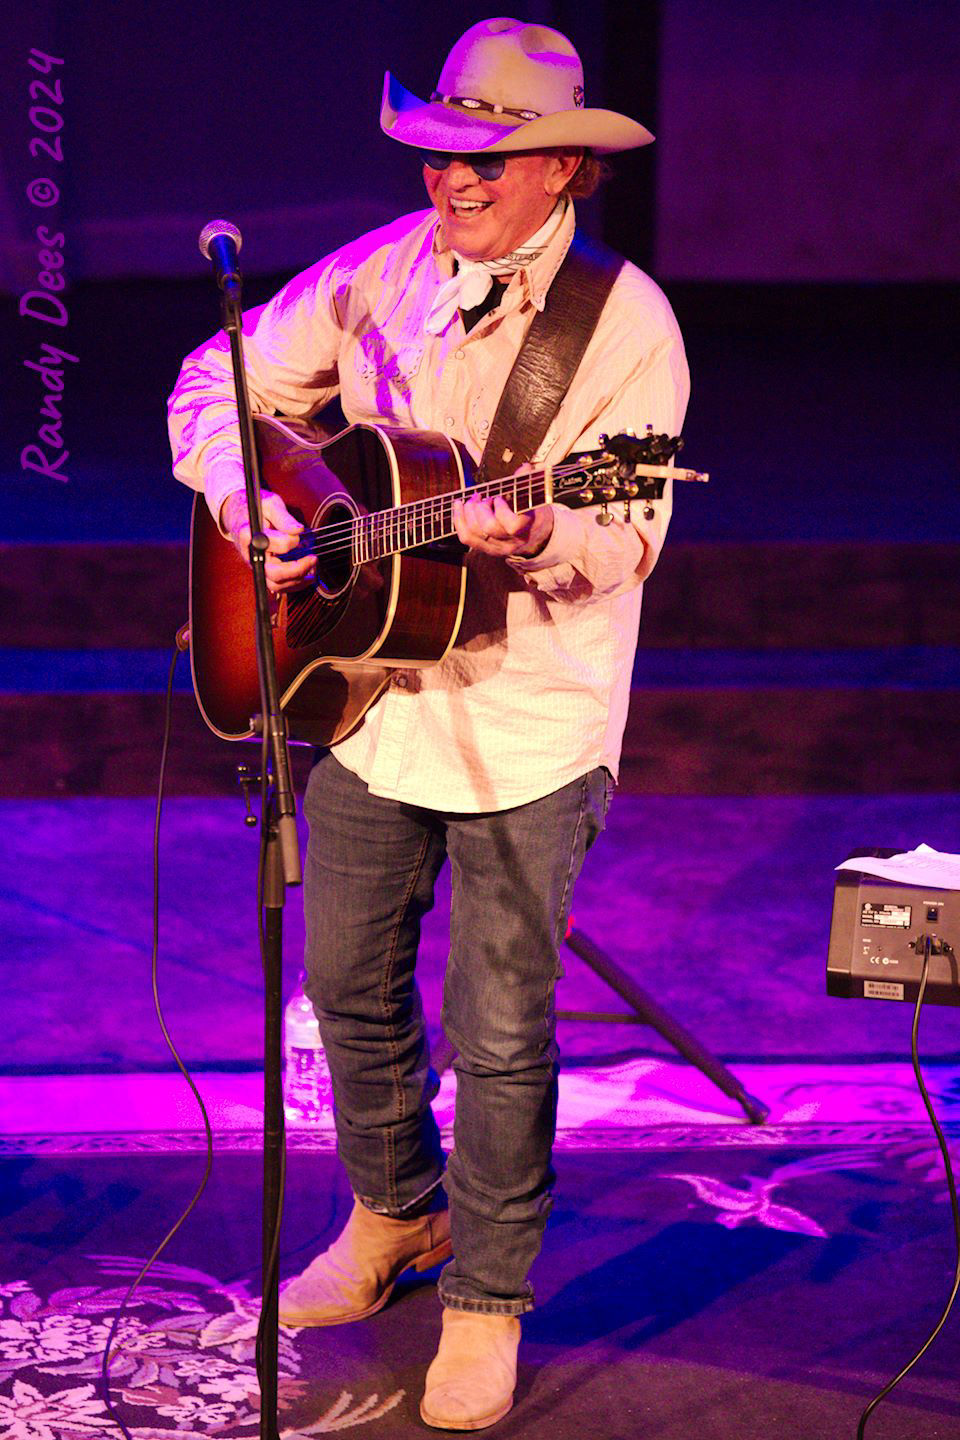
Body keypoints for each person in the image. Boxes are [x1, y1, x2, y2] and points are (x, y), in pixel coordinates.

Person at [168, 17, 689, 1431]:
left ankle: (487, 1300)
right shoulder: (376, 274)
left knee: (504, 1024)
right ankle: (396, 1213)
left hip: (529, 717)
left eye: (490, 161)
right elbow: (215, 383)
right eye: (444, 152)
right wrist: (256, 504)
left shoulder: (623, 324)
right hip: (368, 692)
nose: (453, 180)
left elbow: (619, 540)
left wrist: (535, 542)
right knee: (342, 982)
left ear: (566, 171)